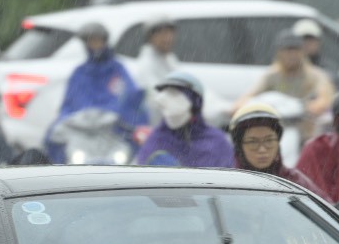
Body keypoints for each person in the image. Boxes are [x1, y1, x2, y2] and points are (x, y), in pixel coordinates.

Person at [45, 21, 147, 164]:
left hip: (113, 130)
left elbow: (130, 98)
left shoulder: (118, 70)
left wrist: (121, 114)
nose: (95, 44)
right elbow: (69, 104)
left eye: (98, 40)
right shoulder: (79, 73)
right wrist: (69, 118)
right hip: (82, 130)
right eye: (91, 41)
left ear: (105, 41)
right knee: (52, 138)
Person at [237, 29, 334, 135]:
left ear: (302, 52)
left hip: (304, 129)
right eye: (287, 50)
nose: (292, 54)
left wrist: (307, 108)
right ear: (279, 53)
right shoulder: (272, 75)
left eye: (295, 50)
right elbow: (248, 97)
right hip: (277, 128)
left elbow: (326, 98)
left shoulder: (314, 75)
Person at [135, 71, 233, 168]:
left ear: (195, 102)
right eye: (163, 94)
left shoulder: (216, 142)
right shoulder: (156, 138)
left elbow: (223, 180)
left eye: (173, 94)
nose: (162, 100)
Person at [229, 101, 323, 194]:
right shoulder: (228, 186)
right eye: (253, 142)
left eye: (269, 140)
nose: (262, 149)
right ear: (239, 147)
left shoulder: (295, 183)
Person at [132, 15, 180, 122]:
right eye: (162, 34)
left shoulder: (170, 59)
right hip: (157, 126)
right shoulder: (146, 64)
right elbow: (157, 96)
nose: (168, 38)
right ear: (150, 37)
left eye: (170, 33)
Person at [293, 18, 336, 88]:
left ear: (318, 42)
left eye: (311, 39)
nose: (307, 43)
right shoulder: (284, 68)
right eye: (303, 39)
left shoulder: (328, 68)